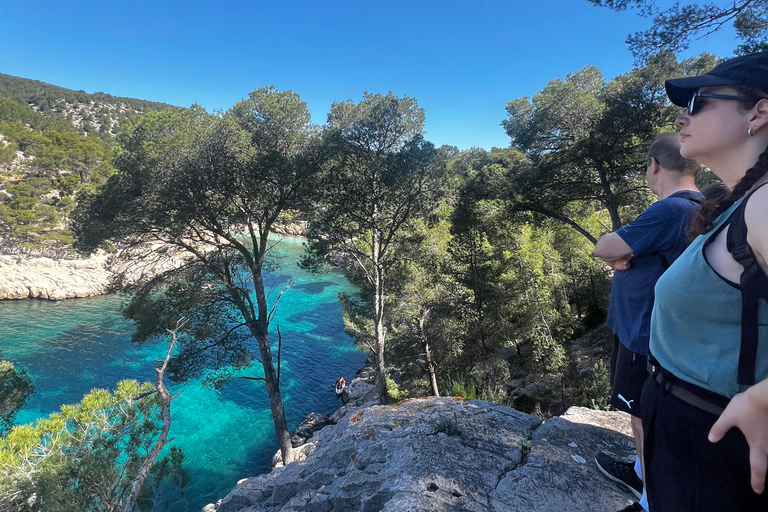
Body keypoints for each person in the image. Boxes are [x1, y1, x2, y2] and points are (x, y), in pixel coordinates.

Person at [641, 52, 768, 511]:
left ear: (759, 112)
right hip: (689, 433)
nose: (682, 117)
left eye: (698, 102)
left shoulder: (764, 203)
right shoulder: (743, 202)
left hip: (714, 446)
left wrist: (763, 401)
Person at [593, 133, 703, 512]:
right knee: (641, 413)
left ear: (653, 165)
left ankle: (649, 500)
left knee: (643, 417)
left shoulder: (671, 209)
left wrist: (616, 255)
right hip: (655, 331)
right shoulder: (700, 204)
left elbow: (605, 246)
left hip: (644, 334)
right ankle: (640, 471)